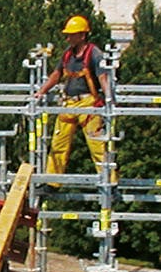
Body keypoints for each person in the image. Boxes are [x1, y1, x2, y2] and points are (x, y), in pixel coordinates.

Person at [34, 14, 108, 174]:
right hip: (69, 103)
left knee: (98, 145)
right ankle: (52, 181)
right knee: (58, 143)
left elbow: (103, 77)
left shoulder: (94, 54)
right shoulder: (68, 54)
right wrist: (41, 91)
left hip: (88, 103)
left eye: (71, 35)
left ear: (82, 35)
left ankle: (109, 180)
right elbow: (57, 74)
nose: (68, 39)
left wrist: (109, 100)